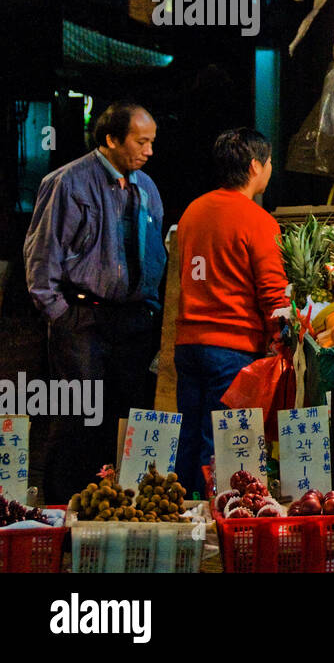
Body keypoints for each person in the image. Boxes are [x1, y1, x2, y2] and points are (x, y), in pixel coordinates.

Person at [24, 102, 166, 505]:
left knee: (124, 417)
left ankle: (109, 503)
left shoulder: (146, 187)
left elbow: (155, 254)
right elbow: (41, 255)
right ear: (110, 139)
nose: (149, 151)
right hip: (81, 319)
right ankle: (59, 506)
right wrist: (59, 313)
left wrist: (151, 308)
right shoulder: (67, 183)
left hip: (134, 322)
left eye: (152, 142)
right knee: (78, 417)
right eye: (141, 141)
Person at [173, 129, 289, 495]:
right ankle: (213, 535)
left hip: (188, 344)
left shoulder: (192, 211)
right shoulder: (257, 219)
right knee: (221, 445)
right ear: (255, 166)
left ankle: (184, 519)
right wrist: (281, 338)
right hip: (232, 349)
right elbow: (273, 292)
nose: (269, 169)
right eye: (268, 163)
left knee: (189, 439)